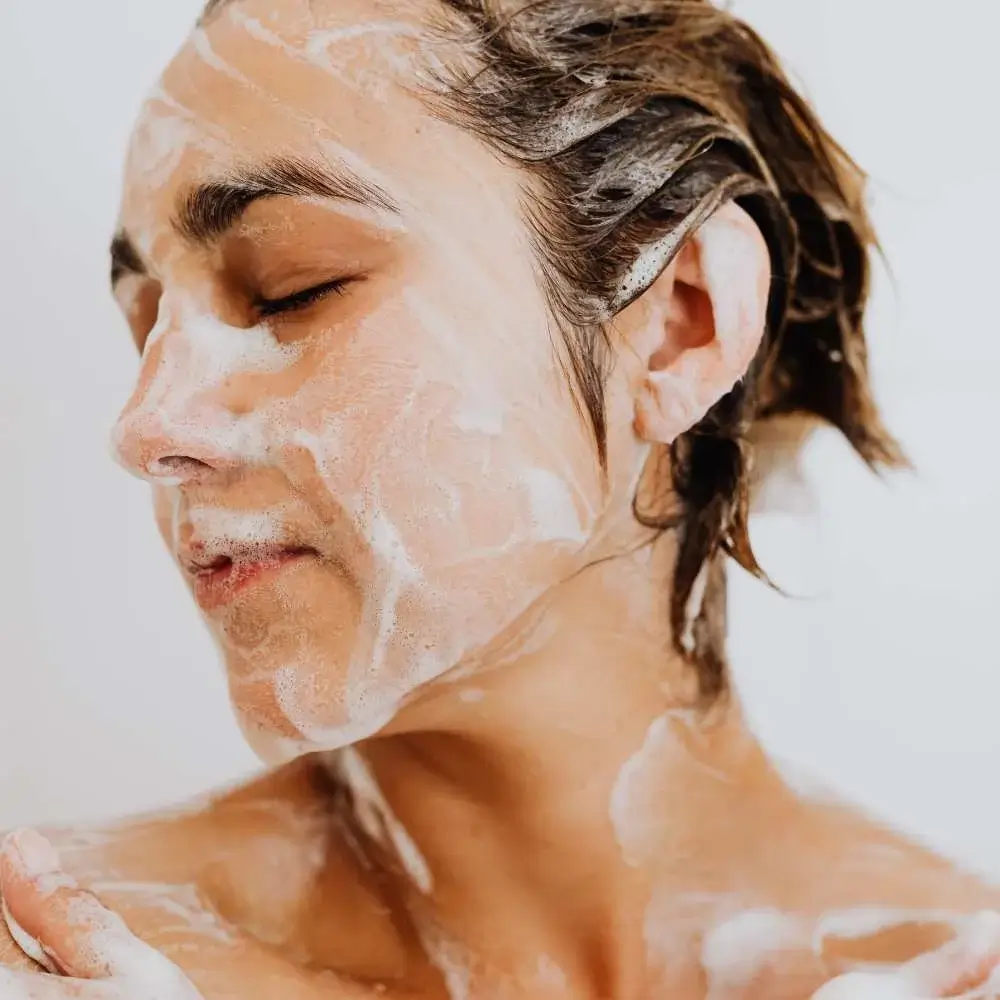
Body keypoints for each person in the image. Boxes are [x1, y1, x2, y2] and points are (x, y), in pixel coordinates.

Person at [1, 0, 998, 997]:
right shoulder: (41, 959)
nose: (145, 429)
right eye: (146, 330)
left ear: (680, 323)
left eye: (289, 288)